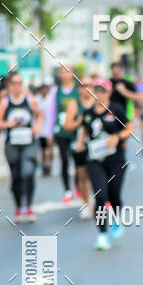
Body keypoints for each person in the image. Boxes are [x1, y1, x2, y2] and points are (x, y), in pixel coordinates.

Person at [75, 79, 132, 250]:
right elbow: (84, 129)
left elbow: (130, 129)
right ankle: (102, 234)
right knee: (100, 196)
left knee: (114, 195)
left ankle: (116, 218)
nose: (99, 94)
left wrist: (117, 137)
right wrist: (79, 143)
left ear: (108, 93)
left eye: (102, 90)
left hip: (115, 159)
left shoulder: (116, 109)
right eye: (96, 90)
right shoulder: (88, 112)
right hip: (95, 159)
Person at [0, 72, 42, 223]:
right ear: (9, 85)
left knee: (27, 172)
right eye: (15, 83)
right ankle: (19, 207)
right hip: (12, 144)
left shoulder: (28, 98)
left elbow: (40, 115)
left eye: (20, 83)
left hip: (28, 142)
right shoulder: (5, 101)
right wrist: (9, 124)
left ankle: (29, 206)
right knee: (16, 177)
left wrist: (37, 128)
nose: (18, 86)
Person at [48, 64, 81, 203]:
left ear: (72, 73)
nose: (65, 74)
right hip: (61, 132)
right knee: (64, 161)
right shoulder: (56, 91)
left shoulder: (78, 90)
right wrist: (49, 134)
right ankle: (67, 190)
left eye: (68, 71)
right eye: (62, 72)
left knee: (78, 161)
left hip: (76, 131)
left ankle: (79, 187)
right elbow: (51, 113)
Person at [63, 76, 95, 219]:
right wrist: (79, 122)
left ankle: (96, 199)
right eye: (82, 85)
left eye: (88, 85)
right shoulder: (74, 104)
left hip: (96, 144)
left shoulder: (98, 102)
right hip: (79, 144)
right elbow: (67, 126)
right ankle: (85, 203)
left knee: (94, 173)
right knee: (82, 175)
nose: (85, 89)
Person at [35, 78, 54, 176]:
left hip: (50, 127)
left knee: (49, 148)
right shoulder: (37, 99)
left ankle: (49, 164)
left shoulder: (51, 98)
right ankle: (43, 166)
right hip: (41, 128)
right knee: (42, 149)